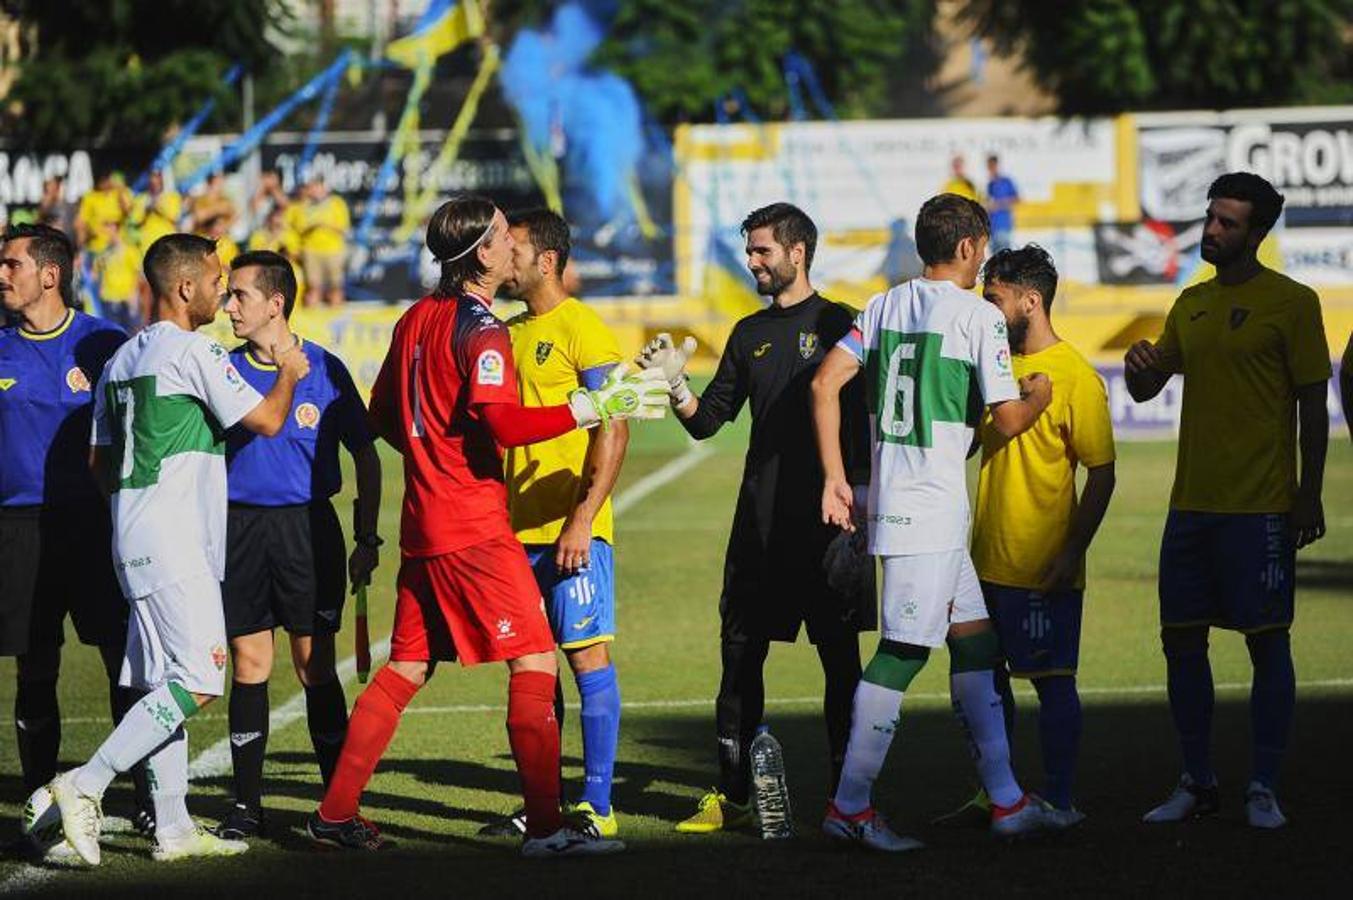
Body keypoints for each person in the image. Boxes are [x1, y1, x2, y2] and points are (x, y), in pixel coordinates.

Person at [306, 194, 666, 856]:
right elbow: (501, 425)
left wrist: (431, 454)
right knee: (533, 659)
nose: (512, 244)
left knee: (408, 666)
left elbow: (383, 412)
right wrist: (589, 405)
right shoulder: (484, 328)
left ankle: (334, 815)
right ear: (480, 254)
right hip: (472, 525)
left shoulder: (417, 316)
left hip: (423, 521)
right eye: (502, 236)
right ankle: (550, 831)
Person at [47, 232, 312, 866]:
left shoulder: (121, 358)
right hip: (173, 541)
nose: (224, 290)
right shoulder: (194, 351)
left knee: (163, 685)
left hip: (132, 533)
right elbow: (270, 422)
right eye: (218, 278)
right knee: (198, 680)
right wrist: (289, 373)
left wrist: (139, 502)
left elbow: (98, 462)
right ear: (185, 287)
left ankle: (172, 827)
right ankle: (84, 783)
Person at [811, 193, 1054, 851]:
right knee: (902, 652)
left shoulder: (882, 306)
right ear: (970, 247)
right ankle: (850, 806)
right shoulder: (977, 316)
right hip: (927, 509)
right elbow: (1005, 420)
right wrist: (1038, 395)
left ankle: (1005, 799)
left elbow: (824, 383)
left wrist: (837, 474)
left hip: (913, 503)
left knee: (974, 643)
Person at [639, 202, 875, 834]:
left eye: (762, 250)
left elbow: (875, 418)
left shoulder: (844, 323)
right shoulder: (747, 335)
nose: (752, 261)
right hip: (760, 527)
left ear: (797, 252)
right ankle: (735, 796)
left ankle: (845, 798)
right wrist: (676, 386)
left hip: (831, 527)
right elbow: (709, 421)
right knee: (740, 661)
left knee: (841, 666)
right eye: (749, 250)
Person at [1125, 172, 1330, 829]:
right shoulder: (1189, 303)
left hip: (1261, 508)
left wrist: (1307, 494)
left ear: (1256, 234)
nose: (1212, 231)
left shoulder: (1292, 303)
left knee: (1267, 645)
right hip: (1190, 506)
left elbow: (1312, 407)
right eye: (1210, 218)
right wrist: (1139, 370)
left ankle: (1263, 786)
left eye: (1227, 223)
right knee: (1180, 642)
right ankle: (1197, 780)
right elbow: (1144, 391)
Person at [212, 250, 382, 840]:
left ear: (275, 303)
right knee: (251, 664)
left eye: (240, 295)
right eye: (228, 295)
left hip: (310, 533)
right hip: (239, 531)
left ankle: (336, 806)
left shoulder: (327, 369)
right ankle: (245, 808)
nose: (228, 305)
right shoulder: (222, 369)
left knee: (314, 667)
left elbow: (365, 452)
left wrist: (367, 535)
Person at [0, 224, 153, 847]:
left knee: (124, 662)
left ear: (49, 274)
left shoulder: (105, 345)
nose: (1, 275)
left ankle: (148, 794)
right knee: (35, 667)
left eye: (10, 264)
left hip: (95, 527)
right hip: (17, 530)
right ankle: (40, 798)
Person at [484, 209, 629, 838]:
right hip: (515, 535)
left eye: (512, 248)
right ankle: (542, 803)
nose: (502, 259)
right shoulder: (508, 333)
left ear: (546, 260)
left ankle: (598, 804)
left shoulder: (585, 328)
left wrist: (582, 519)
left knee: (586, 659)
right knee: (533, 669)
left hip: (573, 534)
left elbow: (614, 427)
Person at [969, 244, 1116, 827]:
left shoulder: (1076, 376)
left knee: (1053, 684)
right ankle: (998, 794)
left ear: (1030, 301)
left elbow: (1101, 473)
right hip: (983, 560)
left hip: (1042, 564)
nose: (987, 311)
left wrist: (1073, 550)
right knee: (986, 686)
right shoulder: (994, 364)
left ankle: (1059, 798)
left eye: (995, 300)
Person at [290, 175, 350, 307]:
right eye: (310, 188)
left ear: (323, 187)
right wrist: (313, 225)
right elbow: (299, 227)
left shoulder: (336, 203)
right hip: (311, 250)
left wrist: (324, 224)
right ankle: (313, 323)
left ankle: (336, 321)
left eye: (314, 187)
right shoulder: (304, 206)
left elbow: (343, 227)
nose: (311, 191)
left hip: (334, 250)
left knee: (335, 288)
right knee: (313, 288)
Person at [92, 222, 144, 333]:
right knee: (111, 334)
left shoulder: (130, 250)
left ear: (117, 230)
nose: (106, 234)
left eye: (109, 229)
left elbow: (137, 274)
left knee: (129, 333)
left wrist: (133, 293)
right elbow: (95, 273)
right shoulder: (104, 251)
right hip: (109, 298)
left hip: (126, 298)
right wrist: (100, 286)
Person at [76, 171, 132, 254]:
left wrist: (120, 190)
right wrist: (81, 247)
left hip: (119, 244)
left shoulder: (120, 192)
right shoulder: (90, 196)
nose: (104, 183)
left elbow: (128, 212)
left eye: (106, 179)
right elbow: (81, 222)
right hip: (97, 246)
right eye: (101, 180)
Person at [130, 170, 183, 254]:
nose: (154, 182)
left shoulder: (173, 196)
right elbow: (135, 221)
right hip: (147, 243)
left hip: (167, 241)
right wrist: (146, 210)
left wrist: (158, 207)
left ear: (162, 180)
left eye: (157, 178)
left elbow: (175, 217)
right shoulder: (141, 198)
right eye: (152, 178)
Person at [984, 155, 1019, 253]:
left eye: (992, 165)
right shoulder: (989, 184)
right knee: (995, 261)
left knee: (1004, 260)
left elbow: (1016, 199)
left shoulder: (1006, 181)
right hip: (991, 229)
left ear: (997, 165)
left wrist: (998, 205)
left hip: (1003, 226)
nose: (991, 169)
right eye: (989, 166)